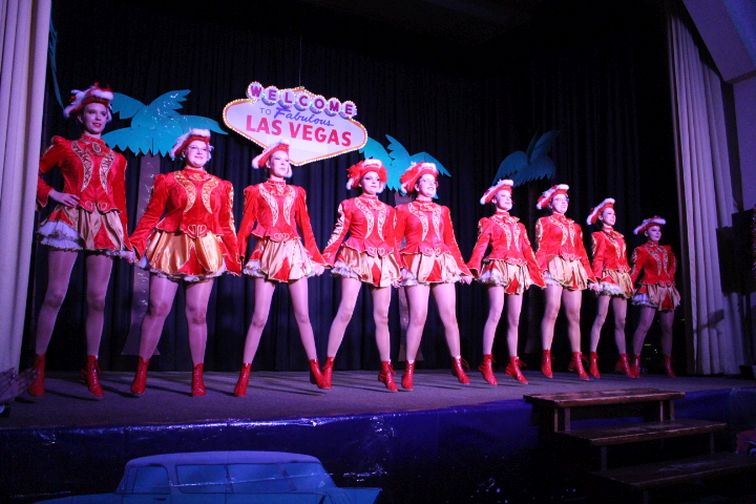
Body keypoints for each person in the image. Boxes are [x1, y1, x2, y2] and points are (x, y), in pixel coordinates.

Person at [29, 84, 133, 398]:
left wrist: (125, 240)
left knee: (97, 299)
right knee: (55, 295)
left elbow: (120, 200)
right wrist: (53, 193)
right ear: (81, 116)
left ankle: (91, 367)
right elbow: (32, 172)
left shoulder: (117, 159)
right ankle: (37, 367)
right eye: (91, 112)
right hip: (70, 220)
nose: (97, 117)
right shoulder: (66, 147)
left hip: (105, 224)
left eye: (102, 113)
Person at [129, 129, 240, 396]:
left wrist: (233, 256)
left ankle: (197, 376)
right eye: (194, 148)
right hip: (171, 244)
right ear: (183, 153)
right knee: (157, 308)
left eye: (204, 149)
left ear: (209, 155)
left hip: (205, 249)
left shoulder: (222, 185)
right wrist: (136, 242)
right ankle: (141, 372)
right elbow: (152, 214)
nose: (199, 152)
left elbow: (226, 223)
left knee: (198, 313)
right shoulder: (168, 180)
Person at [233, 140, 327, 396]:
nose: (284, 164)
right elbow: (246, 225)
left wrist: (316, 257)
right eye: (279, 160)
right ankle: (244, 374)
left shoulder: (298, 192)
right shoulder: (255, 191)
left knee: (303, 315)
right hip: (266, 252)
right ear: (268, 164)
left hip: (294, 252)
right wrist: (236, 256)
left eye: (287, 161)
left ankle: (315, 368)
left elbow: (306, 226)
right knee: (259, 317)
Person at [320, 159, 402, 391]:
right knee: (346, 310)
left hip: (382, 260)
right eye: (368, 178)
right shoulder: (349, 205)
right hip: (354, 256)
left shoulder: (389, 210)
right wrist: (326, 258)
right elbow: (339, 233)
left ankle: (386, 369)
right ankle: (328, 365)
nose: (374, 182)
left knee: (382, 317)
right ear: (359, 181)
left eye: (377, 179)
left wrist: (398, 268)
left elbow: (393, 241)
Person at [394, 162, 472, 390]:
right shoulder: (404, 210)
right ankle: (409, 368)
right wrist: (396, 268)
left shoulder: (443, 210)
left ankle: (457, 364)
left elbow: (451, 241)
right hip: (416, 263)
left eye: (433, 181)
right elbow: (395, 242)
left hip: (442, 262)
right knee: (418, 317)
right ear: (416, 185)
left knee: (450, 317)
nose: (430, 184)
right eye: (425, 181)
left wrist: (463, 268)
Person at [467, 180, 544, 385]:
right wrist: (471, 269)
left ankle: (513, 363)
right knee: (495, 313)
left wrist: (536, 274)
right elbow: (480, 247)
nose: (508, 199)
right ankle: (486, 362)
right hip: (498, 267)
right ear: (494, 200)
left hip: (518, 270)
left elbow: (528, 251)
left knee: (514, 320)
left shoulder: (519, 225)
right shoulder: (489, 222)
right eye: (503, 196)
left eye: (510, 197)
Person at [534, 184, 596, 380]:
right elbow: (541, 247)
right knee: (552, 309)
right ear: (550, 203)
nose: (563, 203)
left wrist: (591, 277)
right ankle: (546, 357)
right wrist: (537, 271)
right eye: (558, 200)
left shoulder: (575, 226)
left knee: (574, 315)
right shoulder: (544, 221)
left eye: (565, 200)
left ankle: (577, 359)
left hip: (574, 268)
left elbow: (582, 252)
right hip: (553, 265)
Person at [586, 198, 634, 378]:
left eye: (614, 214)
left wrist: (628, 279)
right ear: (601, 217)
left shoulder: (620, 236)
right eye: (609, 214)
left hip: (621, 278)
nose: (613, 216)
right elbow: (597, 258)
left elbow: (624, 259)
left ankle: (623, 360)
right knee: (601, 317)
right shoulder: (598, 235)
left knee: (621, 321)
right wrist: (596, 279)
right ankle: (593, 358)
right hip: (607, 276)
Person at [629, 216, 681, 378]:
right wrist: (628, 285)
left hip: (666, 289)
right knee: (644, 325)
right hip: (649, 288)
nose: (657, 233)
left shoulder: (666, 250)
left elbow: (672, 267)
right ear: (646, 233)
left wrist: (669, 280)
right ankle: (635, 362)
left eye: (659, 231)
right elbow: (635, 271)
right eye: (653, 230)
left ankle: (667, 364)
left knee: (667, 327)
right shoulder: (641, 250)